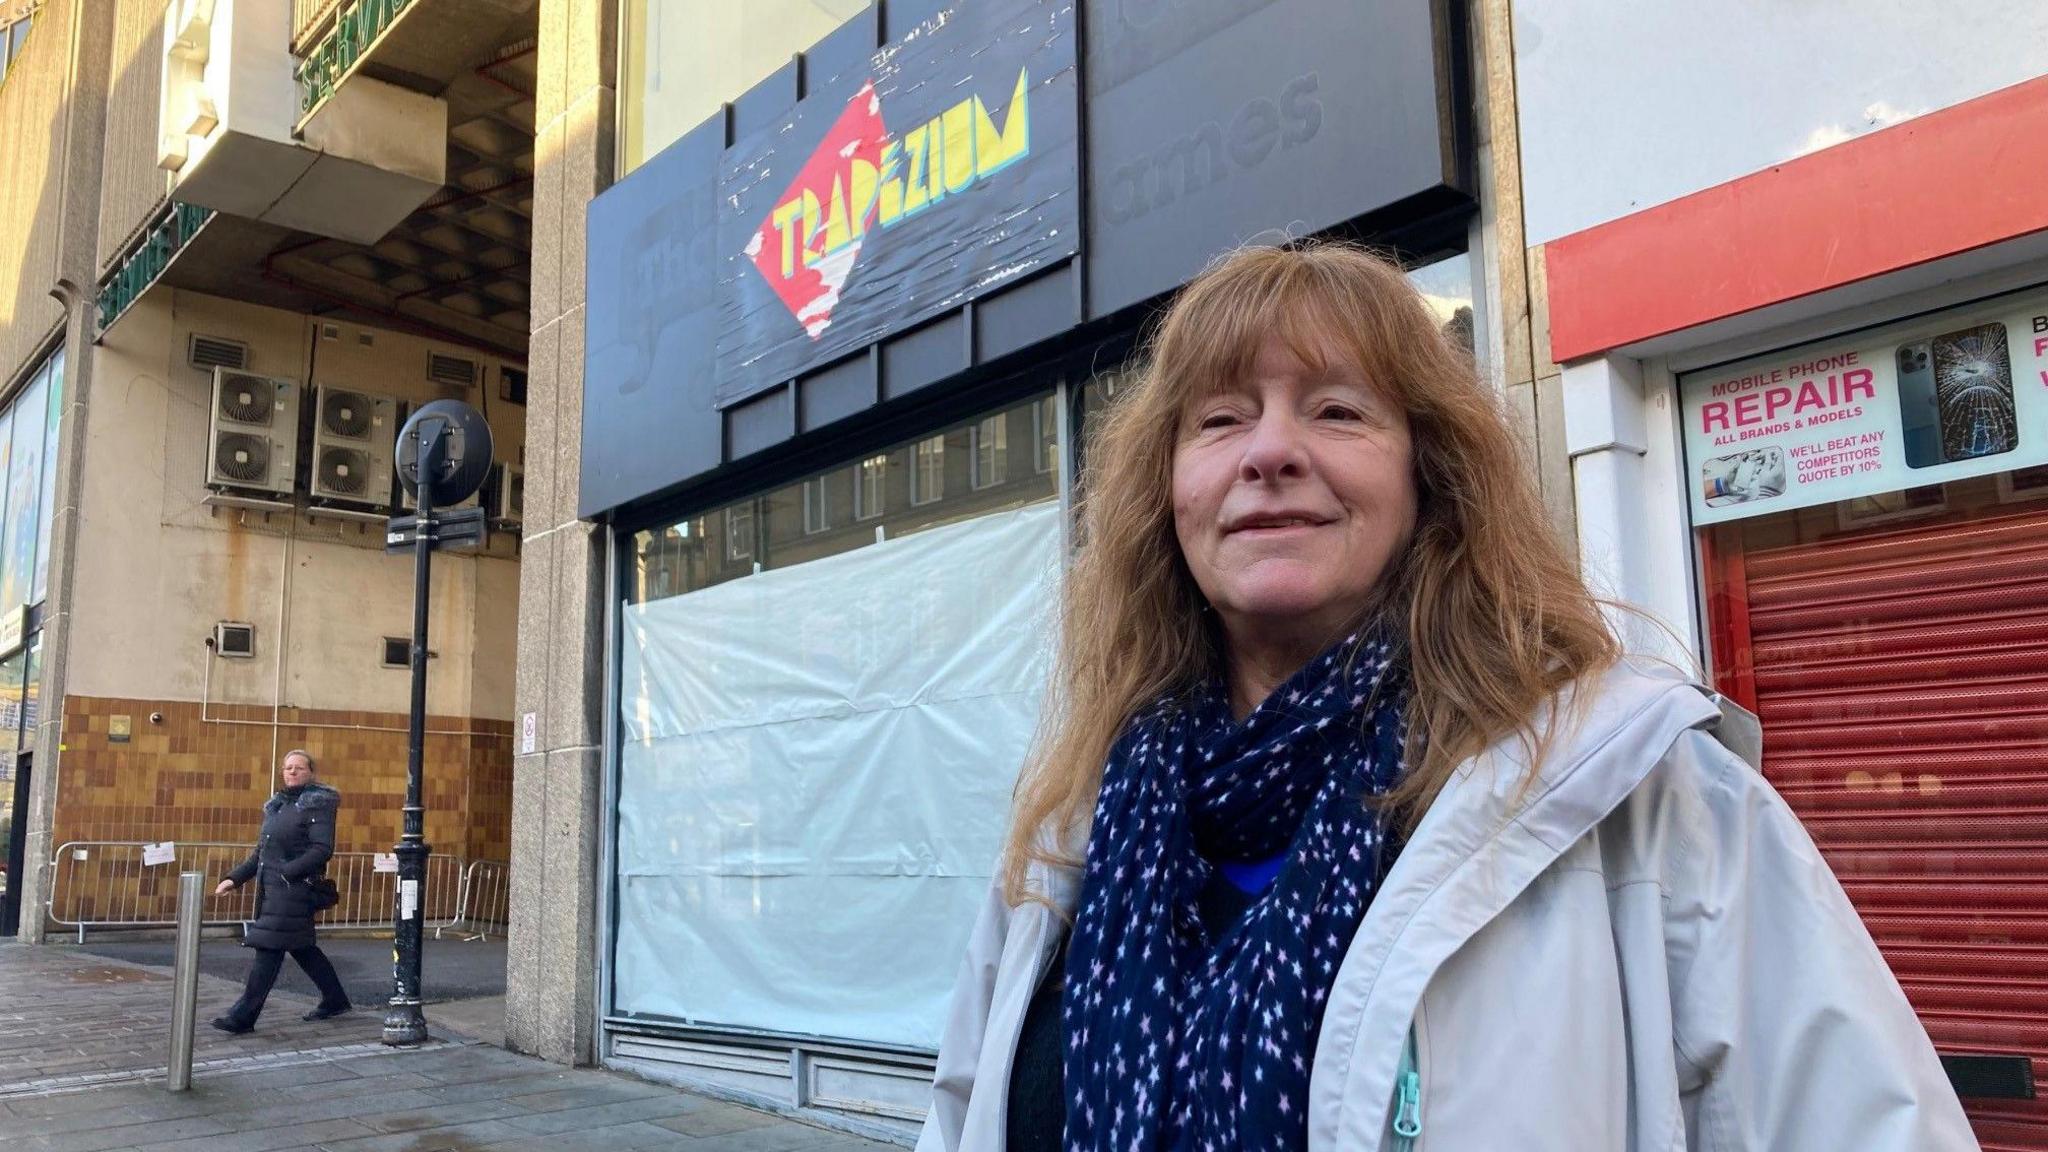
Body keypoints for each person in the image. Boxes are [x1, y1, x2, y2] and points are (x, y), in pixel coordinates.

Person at [917, 243, 1976, 1151]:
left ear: (1432, 478)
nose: (1270, 452)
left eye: (1336, 411)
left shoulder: (1633, 797)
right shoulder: (1069, 832)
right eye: (1219, 420)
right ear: (1168, 493)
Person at [211, 749, 352, 1032]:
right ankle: (335, 999)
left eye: (299, 767)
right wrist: (234, 879)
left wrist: (289, 871)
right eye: (288, 767)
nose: (292, 771)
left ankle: (243, 1017)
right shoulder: (278, 807)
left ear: (311, 772)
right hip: (272, 890)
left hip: (293, 890)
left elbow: (322, 849)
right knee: (302, 948)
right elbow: (261, 854)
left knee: (269, 946)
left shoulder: (317, 805)